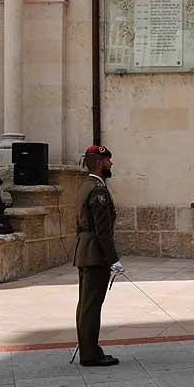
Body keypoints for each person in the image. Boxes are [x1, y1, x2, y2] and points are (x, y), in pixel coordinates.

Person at [73, 145, 121, 367]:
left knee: (85, 304)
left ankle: (89, 348)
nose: (111, 164)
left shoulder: (85, 185)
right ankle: (90, 354)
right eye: (108, 160)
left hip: (85, 250)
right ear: (100, 163)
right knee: (91, 305)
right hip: (95, 254)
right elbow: (102, 230)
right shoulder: (98, 190)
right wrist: (113, 259)